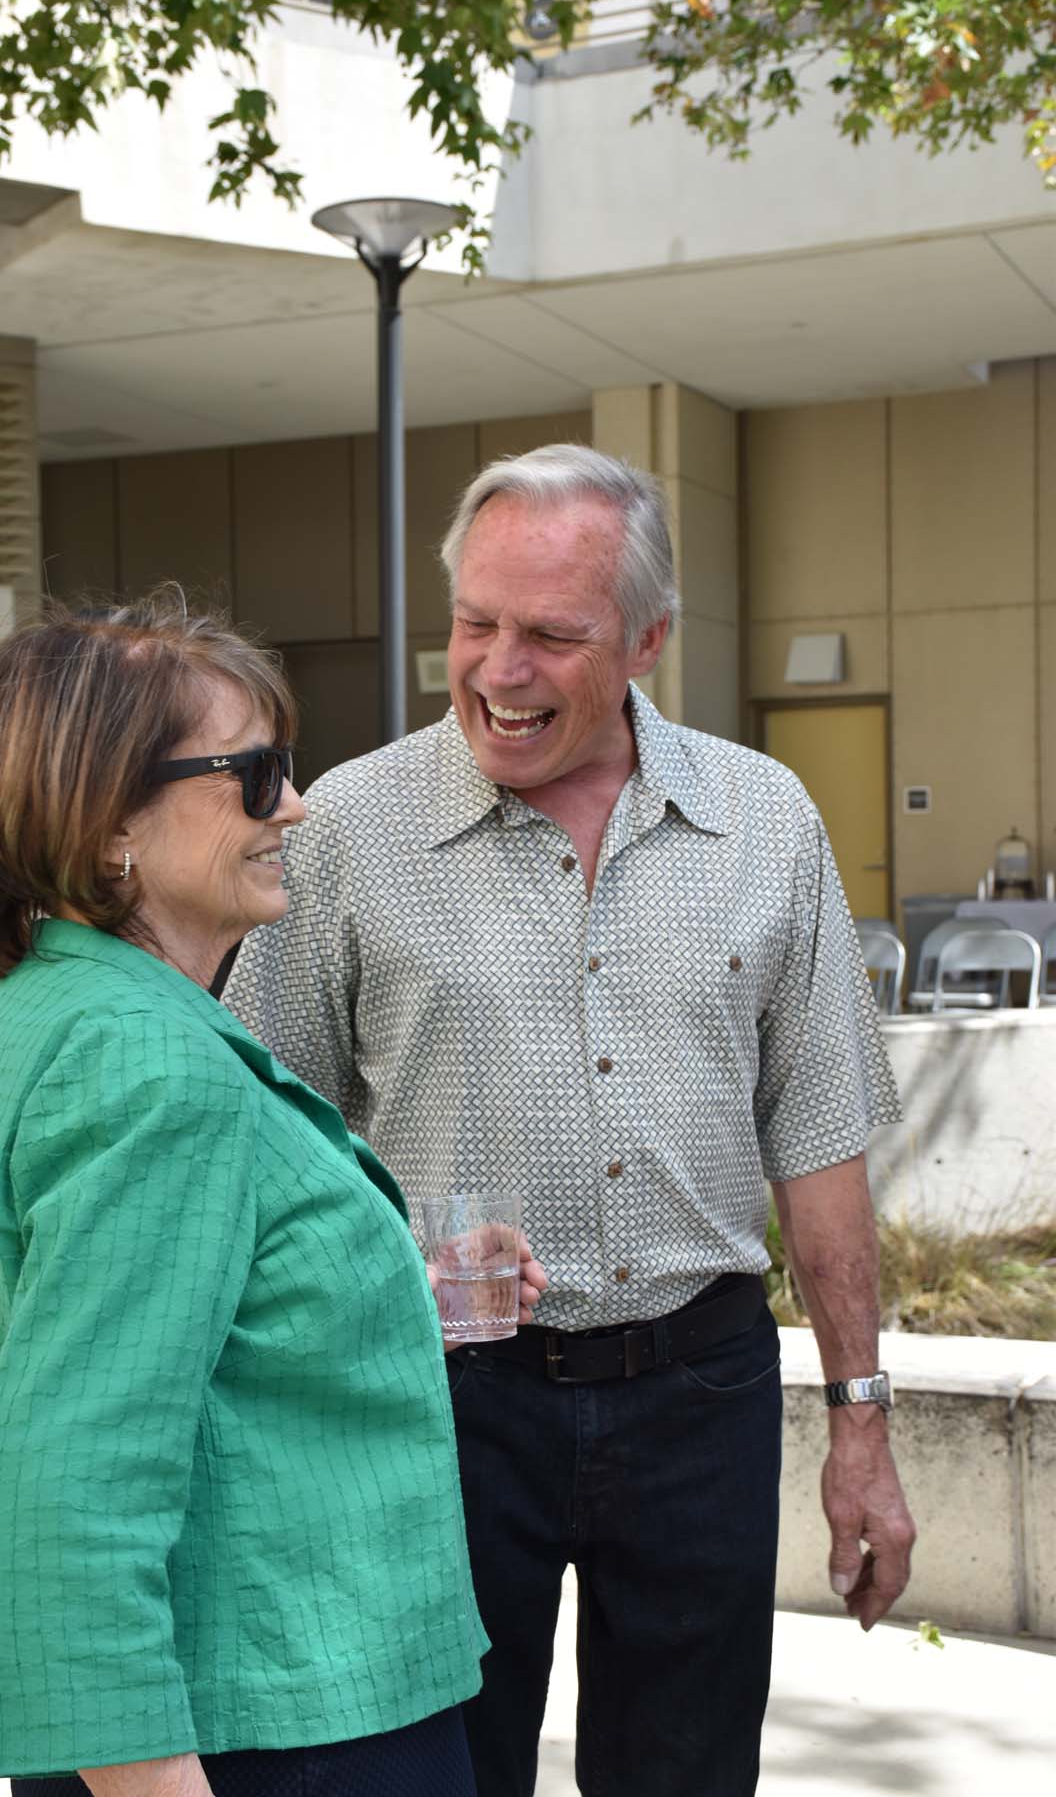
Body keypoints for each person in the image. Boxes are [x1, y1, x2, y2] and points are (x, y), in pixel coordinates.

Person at [225, 444, 918, 1797]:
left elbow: (821, 1139)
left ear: (650, 638)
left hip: (701, 1387)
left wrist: (862, 1430)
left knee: (688, 1774)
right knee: (444, 1775)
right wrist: (386, 1275)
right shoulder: (345, 830)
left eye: (550, 633)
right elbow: (263, 1139)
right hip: (446, 1396)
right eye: (475, 624)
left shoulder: (767, 818)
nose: (497, 669)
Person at [0, 596, 544, 1797]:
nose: (296, 806)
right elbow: (72, 1487)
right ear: (110, 816)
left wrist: (381, 1285)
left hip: (234, 1715)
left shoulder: (61, 1004)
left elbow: (155, 1327)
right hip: (270, 1729)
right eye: (255, 774)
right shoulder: (153, 1061)